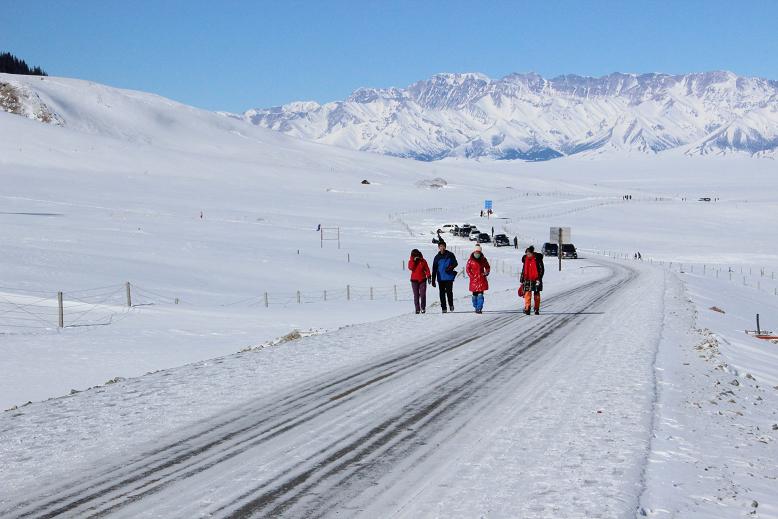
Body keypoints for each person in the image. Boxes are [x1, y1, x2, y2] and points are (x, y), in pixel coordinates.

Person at [431, 240, 458, 313]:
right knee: (442, 293)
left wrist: (450, 267)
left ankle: (451, 304)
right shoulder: (437, 257)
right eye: (440, 246)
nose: (441, 248)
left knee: (449, 292)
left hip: (449, 277)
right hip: (440, 278)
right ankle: (444, 308)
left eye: (443, 246)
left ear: (445, 247)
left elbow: (455, 263)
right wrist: (433, 280)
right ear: (438, 247)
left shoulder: (450, 255)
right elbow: (434, 269)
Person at [520, 245, 545, 315]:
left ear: (532, 253)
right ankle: (527, 308)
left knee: (536, 294)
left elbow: (541, 269)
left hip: (536, 279)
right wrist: (521, 280)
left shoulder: (537, 259)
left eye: (528, 254)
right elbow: (523, 270)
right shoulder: (525, 259)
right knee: (527, 294)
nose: (527, 255)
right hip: (527, 279)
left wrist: (539, 278)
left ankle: (536, 309)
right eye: (526, 254)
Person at [466, 244, 490, 314]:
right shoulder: (470, 261)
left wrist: (486, 272)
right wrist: (472, 276)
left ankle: (479, 308)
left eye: (478, 253)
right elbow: (468, 269)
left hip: (481, 279)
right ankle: (476, 306)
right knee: (474, 295)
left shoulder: (483, 259)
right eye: (476, 252)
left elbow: (487, 267)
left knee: (480, 295)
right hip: (473, 281)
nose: (477, 254)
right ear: (474, 252)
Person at [408, 249, 431, 314]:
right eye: (414, 255)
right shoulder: (411, 261)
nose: (416, 256)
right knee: (416, 295)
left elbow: (427, 269)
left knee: (423, 294)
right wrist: (414, 261)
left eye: (417, 255)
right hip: (414, 280)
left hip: (423, 280)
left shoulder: (423, 260)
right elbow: (410, 268)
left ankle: (423, 308)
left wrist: (429, 276)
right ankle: (417, 309)